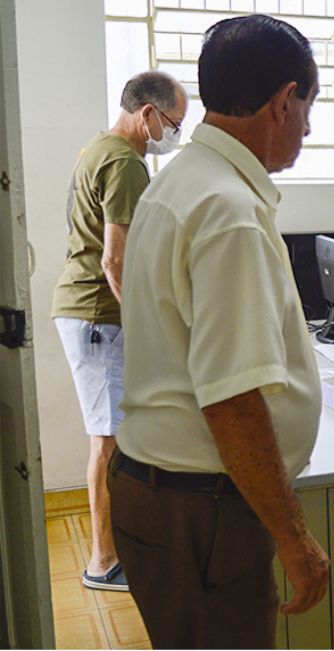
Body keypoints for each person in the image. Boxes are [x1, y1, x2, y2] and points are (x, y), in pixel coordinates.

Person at [109, 15, 328, 648]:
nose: (309, 128)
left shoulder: (180, 181)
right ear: (283, 101)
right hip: (200, 508)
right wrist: (294, 537)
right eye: (308, 108)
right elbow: (231, 398)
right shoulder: (228, 211)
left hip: (162, 491)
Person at [51, 70, 187, 593]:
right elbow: (115, 260)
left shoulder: (98, 148)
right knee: (108, 445)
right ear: (147, 114)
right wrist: (149, 325)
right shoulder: (125, 161)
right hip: (97, 316)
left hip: (87, 313)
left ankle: (117, 549)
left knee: (113, 440)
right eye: (173, 123)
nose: (174, 135)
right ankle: (103, 561)